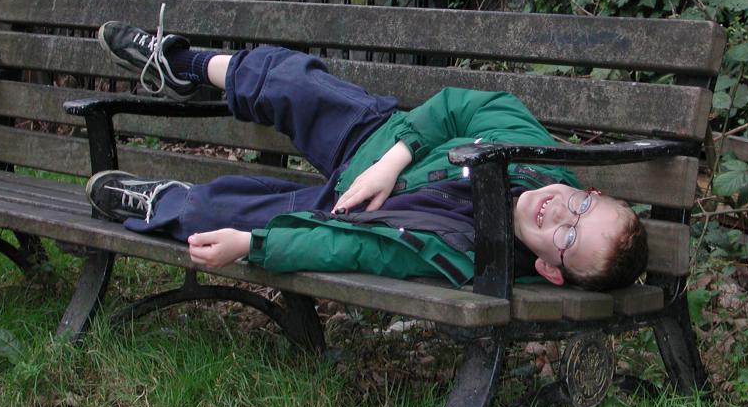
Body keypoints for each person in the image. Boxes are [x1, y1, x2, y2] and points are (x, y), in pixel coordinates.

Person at [86, 19, 648, 291]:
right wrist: (394, 158)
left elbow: (359, 248)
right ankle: (183, 67)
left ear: (551, 269)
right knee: (293, 82)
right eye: (581, 206)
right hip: (376, 140)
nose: (559, 212)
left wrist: (255, 245)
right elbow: (458, 107)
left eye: (569, 237)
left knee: (222, 223)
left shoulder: (464, 254)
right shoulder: (533, 154)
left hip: (349, 209)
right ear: (585, 189)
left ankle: (158, 202)